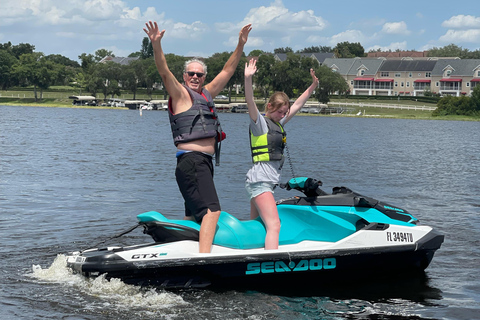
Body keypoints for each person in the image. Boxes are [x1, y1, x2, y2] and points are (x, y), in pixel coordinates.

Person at [144, 21, 252, 253]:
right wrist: (156, 45)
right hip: (192, 162)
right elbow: (163, 71)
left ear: (204, 78)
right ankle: (203, 258)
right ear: (184, 76)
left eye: (199, 74)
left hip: (200, 164)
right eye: (191, 73)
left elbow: (227, 71)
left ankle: (183, 251)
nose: (195, 76)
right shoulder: (180, 94)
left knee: (192, 216)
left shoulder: (207, 94)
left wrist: (240, 45)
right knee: (212, 212)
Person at [244, 58, 319, 250]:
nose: (283, 115)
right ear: (269, 107)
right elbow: (250, 101)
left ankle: (252, 256)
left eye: (284, 113)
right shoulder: (259, 123)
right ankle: (271, 264)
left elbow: (297, 105)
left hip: (263, 181)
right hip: (260, 181)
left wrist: (312, 86)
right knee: (274, 225)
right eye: (280, 112)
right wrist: (248, 79)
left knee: (257, 226)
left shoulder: (278, 123)